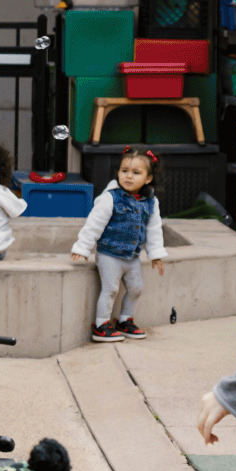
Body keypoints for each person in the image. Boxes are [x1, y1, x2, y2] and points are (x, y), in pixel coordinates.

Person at [70, 146, 164, 342]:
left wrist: (156, 254)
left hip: (132, 257)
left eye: (136, 173)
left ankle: (124, 320)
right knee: (111, 289)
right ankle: (101, 325)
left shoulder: (150, 201)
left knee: (137, 288)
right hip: (109, 254)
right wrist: (82, 248)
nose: (128, 176)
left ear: (148, 178)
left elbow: (154, 229)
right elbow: (94, 224)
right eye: (124, 171)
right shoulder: (110, 198)